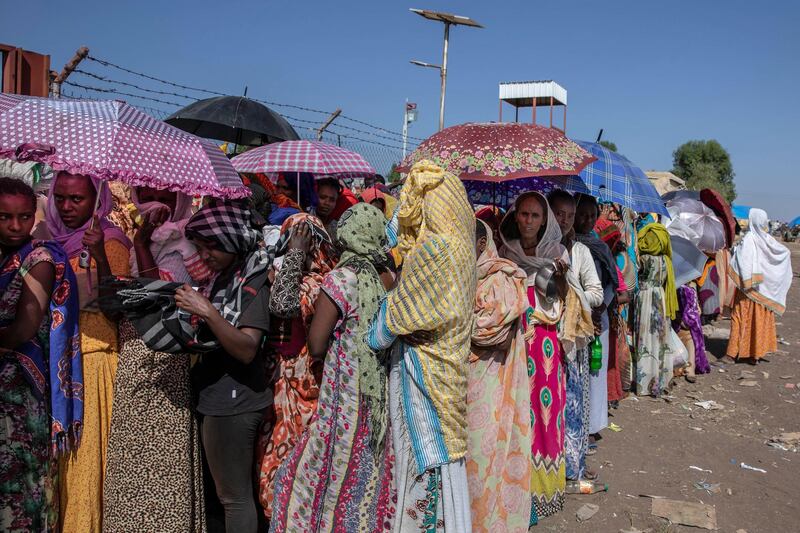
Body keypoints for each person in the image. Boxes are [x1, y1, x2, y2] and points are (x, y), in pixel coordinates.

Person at [270, 203, 396, 532]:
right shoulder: (387, 276)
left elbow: (316, 344)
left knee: (305, 479)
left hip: (341, 399)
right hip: (375, 395)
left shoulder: (340, 278)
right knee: (362, 481)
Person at [368, 160, 476, 532]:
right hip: (448, 370)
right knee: (447, 465)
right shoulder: (464, 249)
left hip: (423, 378)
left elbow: (383, 329)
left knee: (422, 465)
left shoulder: (438, 251)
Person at [103, 186, 207, 532]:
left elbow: (158, 296)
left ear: (179, 200)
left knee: (166, 456)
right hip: (133, 353)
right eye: (146, 193)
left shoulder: (186, 244)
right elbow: (118, 302)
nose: (156, 204)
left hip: (166, 356)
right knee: (131, 452)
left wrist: (142, 243)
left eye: (165, 196)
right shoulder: (135, 239)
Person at [177, 203, 274, 533]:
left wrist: (207, 312)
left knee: (234, 497)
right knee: (222, 495)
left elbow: (247, 348)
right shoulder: (226, 278)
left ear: (231, 241)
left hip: (235, 400)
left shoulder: (253, 281)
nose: (204, 256)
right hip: (221, 394)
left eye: (210, 247)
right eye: (199, 249)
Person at [46, 172, 131, 533]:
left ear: (96, 199)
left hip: (94, 363)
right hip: (54, 363)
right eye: (61, 197)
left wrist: (98, 255)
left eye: (77, 199)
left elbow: (118, 309)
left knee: (86, 461)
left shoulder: (111, 243)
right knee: (59, 463)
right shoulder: (44, 241)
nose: (67, 207)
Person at [0, 178, 82, 533]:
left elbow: (25, 327)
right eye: (4, 217)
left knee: (18, 479)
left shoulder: (40, 259)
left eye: (23, 216)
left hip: (17, 387)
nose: (15, 226)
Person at [257, 213, 335, 520]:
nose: (293, 243)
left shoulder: (320, 284)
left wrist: (295, 255)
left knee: (296, 472)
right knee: (269, 468)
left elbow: (285, 305)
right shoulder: (280, 277)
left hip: (304, 393)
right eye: (290, 237)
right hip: (276, 389)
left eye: (300, 238)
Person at [499, 191, 569, 522]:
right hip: (515, 337)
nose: (528, 221)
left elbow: (563, 298)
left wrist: (562, 275)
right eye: (523, 214)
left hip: (544, 342)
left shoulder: (557, 253)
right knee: (517, 406)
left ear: (545, 221)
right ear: (515, 216)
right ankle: (516, 484)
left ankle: (542, 491)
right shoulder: (504, 251)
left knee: (545, 407)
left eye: (535, 216)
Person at [466, 219, 532, 532]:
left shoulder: (500, 278)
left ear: (481, 244)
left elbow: (496, 335)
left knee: (488, 452)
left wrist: (455, 324)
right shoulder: (465, 276)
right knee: (472, 458)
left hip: (492, 382)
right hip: (469, 381)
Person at [548, 190, 603, 484]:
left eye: (570, 216)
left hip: (570, 342)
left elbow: (597, 293)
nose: (566, 221)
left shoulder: (580, 252)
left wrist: (570, 289)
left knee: (570, 404)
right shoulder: (532, 249)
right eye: (560, 214)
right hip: (539, 339)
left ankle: (570, 465)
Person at [573, 195, 617, 443]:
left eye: (592, 215)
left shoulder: (599, 247)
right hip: (575, 317)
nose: (587, 220)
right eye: (582, 214)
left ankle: (592, 424)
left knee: (594, 370)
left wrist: (600, 308)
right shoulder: (565, 244)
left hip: (598, 317)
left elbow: (612, 281)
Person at [726, 208, 792, 364]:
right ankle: (754, 354)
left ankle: (731, 354)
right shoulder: (768, 240)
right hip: (764, 290)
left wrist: (735, 251)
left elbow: (744, 261)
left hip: (748, 290)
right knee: (758, 320)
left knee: (739, 318)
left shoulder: (750, 238)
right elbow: (785, 253)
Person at [634, 223, 678, 397]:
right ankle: (660, 381)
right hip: (660, 299)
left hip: (643, 298)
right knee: (659, 340)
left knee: (644, 338)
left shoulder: (641, 259)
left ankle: (643, 384)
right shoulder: (666, 261)